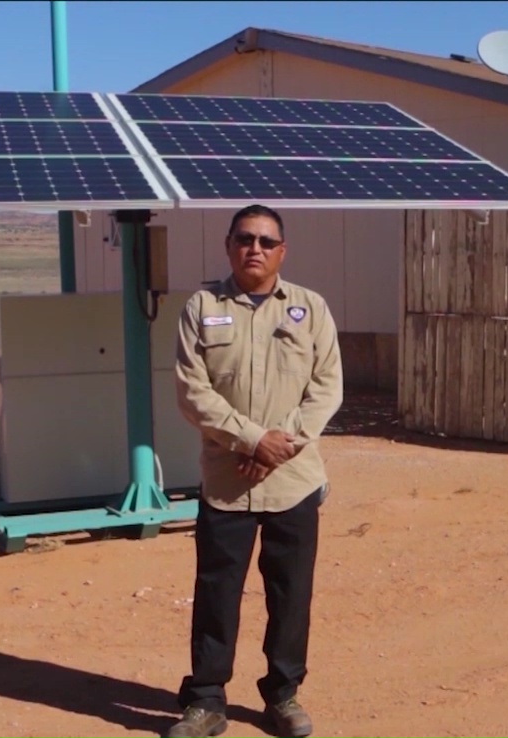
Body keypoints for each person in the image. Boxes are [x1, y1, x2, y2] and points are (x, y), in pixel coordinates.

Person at [167, 203, 343, 738]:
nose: (256, 249)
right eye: (245, 239)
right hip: (227, 481)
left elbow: (326, 386)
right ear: (228, 246)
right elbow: (192, 391)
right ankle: (206, 701)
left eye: (267, 241)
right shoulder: (201, 308)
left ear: (282, 251)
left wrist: (276, 445)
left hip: (292, 481)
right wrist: (249, 439)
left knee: (290, 594)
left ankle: (283, 695)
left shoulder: (310, 308)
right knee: (217, 592)